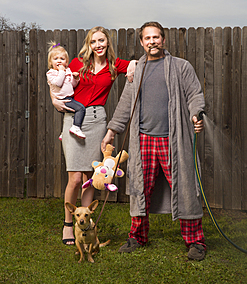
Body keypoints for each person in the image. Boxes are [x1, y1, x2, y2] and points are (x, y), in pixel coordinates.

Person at [101, 21, 206, 261]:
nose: (152, 42)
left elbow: (195, 95)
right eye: (147, 38)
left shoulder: (181, 67)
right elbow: (125, 104)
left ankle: (195, 242)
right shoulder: (136, 70)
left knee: (186, 188)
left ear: (163, 39)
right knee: (139, 188)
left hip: (174, 140)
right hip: (143, 140)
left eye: (156, 37)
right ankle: (137, 237)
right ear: (141, 42)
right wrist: (111, 131)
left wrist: (195, 114)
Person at [51, 26, 137, 245]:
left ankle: (86, 224)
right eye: (93, 41)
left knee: (90, 179)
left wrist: (133, 66)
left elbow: (138, 64)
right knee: (75, 178)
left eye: (102, 41)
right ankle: (68, 224)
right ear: (89, 44)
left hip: (98, 120)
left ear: (107, 42)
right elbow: (58, 83)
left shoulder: (114, 65)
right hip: (74, 120)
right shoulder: (78, 63)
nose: (98, 45)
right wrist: (54, 100)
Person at [47, 42, 86, 139]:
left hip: (69, 97)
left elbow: (72, 85)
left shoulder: (67, 70)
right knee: (81, 109)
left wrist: (76, 79)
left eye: (62, 59)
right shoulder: (51, 73)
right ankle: (76, 127)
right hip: (62, 99)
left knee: (70, 115)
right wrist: (61, 71)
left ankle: (64, 132)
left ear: (66, 62)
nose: (59, 61)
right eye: (56, 59)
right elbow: (58, 83)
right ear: (51, 62)